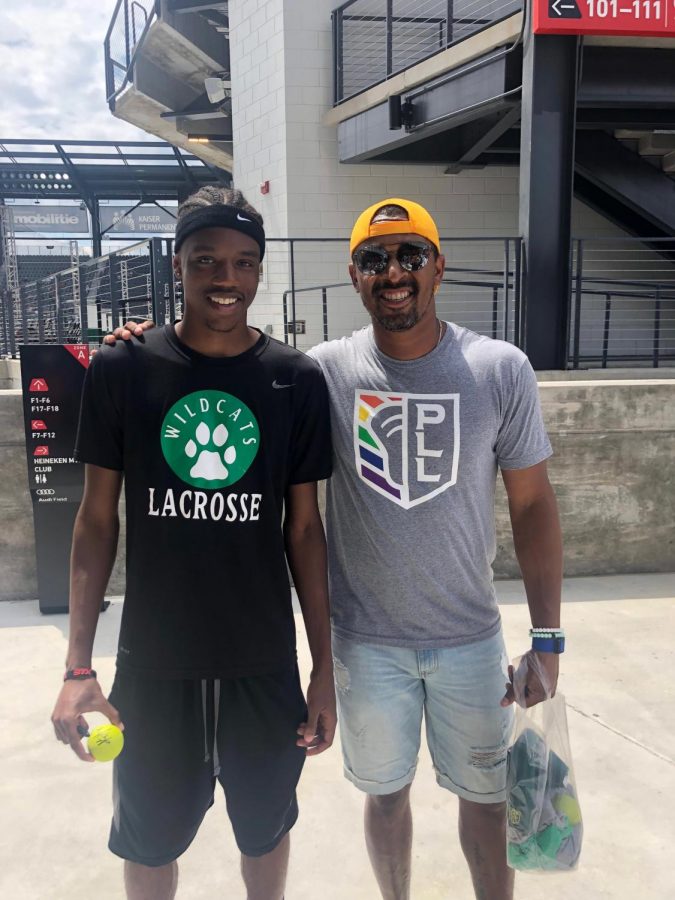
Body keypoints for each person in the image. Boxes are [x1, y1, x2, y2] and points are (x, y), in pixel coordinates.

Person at [106, 196, 564, 900]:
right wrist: (140, 343)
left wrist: (547, 637)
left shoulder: (499, 369)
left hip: (470, 639)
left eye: (410, 254)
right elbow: (228, 362)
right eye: (374, 259)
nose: (394, 272)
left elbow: (532, 505)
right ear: (354, 275)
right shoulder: (322, 372)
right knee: (384, 798)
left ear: (438, 266)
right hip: (366, 645)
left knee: (486, 798)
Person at [51, 186, 336, 900]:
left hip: (262, 663)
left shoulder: (294, 380)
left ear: (260, 272)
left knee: (264, 833)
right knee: (149, 845)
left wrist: (323, 666)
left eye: (243, 262)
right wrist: (77, 665)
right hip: (155, 663)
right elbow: (94, 522)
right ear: (177, 264)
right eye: (206, 259)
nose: (225, 278)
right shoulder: (123, 369)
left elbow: (303, 528)